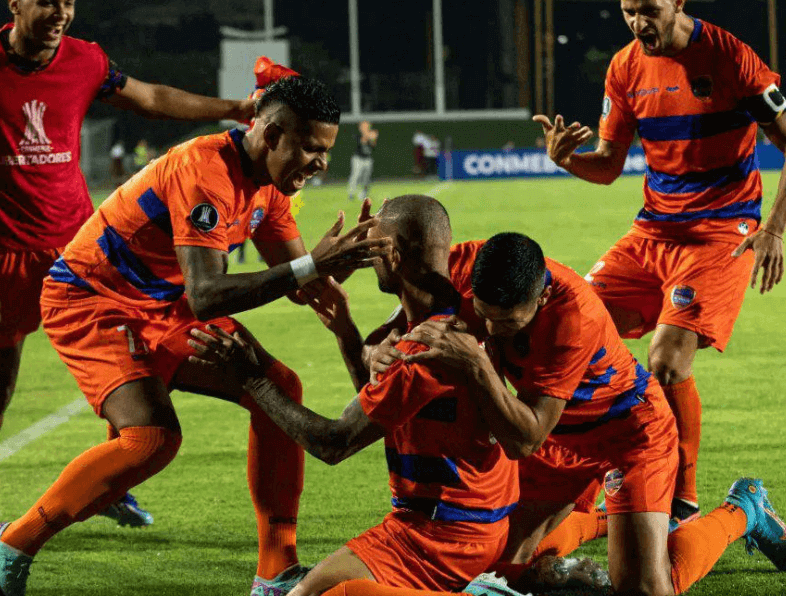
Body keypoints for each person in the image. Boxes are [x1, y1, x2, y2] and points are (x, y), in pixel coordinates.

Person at [0, 75, 391, 596]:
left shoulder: (270, 186)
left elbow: (301, 282)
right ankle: (11, 543)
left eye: (326, 151)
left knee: (278, 389)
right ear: (271, 135)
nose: (321, 163)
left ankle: (275, 572)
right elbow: (208, 295)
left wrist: (342, 276)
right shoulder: (205, 172)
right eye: (311, 148)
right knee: (150, 440)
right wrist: (312, 266)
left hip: (163, 302)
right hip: (93, 298)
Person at [0, 0, 262, 532]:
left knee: (134, 361)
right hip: (0, 250)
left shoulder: (86, 60)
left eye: (69, 3)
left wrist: (233, 109)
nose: (61, 14)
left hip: (82, 248)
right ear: (15, 4)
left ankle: (114, 484)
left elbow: (153, 99)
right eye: (48, 3)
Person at [193, 196, 606, 596]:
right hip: (474, 522)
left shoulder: (424, 348)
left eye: (373, 247)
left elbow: (335, 442)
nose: (367, 256)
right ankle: (522, 574)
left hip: (437, 535)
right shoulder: (460, 322)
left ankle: (488, 593)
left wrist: (253, 379)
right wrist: (346, 331)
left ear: (391, 254)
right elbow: (384, 406)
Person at [531, 0, 786, 530]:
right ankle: (585, 477)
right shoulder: (625, 67)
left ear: (679, 2)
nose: (639, 24)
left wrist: (774, 229)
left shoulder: (731, 56)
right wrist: (568, 161)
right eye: (629, 13)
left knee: (665, 360)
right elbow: (609, 165)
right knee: (564, 328)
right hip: (652, 230)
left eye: (649, 10)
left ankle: (679, 501)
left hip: (720, 232)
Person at [401, 233, 786, 596]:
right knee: (495, 565)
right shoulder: (477, 263)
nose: (491, 327)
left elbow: (526, 439)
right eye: (482, 312)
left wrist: (476, 364)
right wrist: (381, 338)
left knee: (644, 589)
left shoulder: (573, 318)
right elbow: (414, 283)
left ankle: (743, 511)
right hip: (559, 433)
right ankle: (616, 524)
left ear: (540, 298)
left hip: (627, 435)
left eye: (507, 321)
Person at [347, 120, 378, 201]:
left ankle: (363, 194)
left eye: (367, 125)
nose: (365, 127)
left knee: (366, 178)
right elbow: (362, 142)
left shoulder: (373, 133)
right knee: (355, 176)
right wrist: (367, 135)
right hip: (358, 158)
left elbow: (373, 143)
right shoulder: (357, 135)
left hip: (368, 158)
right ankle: (351, 193)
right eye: (363, 126)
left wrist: (371, 137)